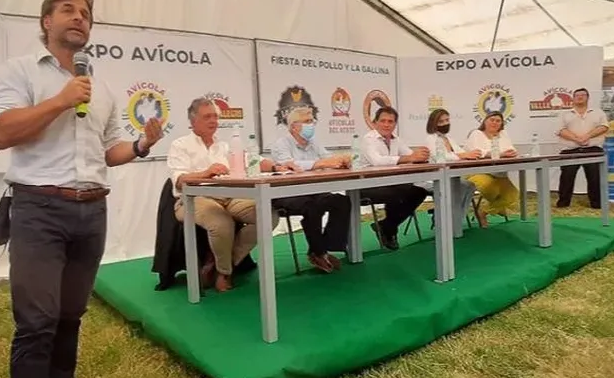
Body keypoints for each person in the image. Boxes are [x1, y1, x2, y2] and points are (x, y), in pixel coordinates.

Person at [0, 0, 163, 378]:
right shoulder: (20, 71)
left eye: (86, 14)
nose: (79, 19)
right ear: (45, 22)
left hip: (91, 210)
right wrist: (60, 100)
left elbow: (109, 152)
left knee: (70, 315)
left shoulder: (99, 87)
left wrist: (143, 143)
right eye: (68, 10)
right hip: (39, 208)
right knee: (35, 324)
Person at [167, 99, 260, 292]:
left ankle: (225, 263)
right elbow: (179, 179)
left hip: (227, 197)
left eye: (215, 116)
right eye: (207, 116)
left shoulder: (225, 146)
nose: (213, 121)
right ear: (193, 121)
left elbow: (253, 160)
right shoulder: (180, 144)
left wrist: (278, 166)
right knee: (221, 223)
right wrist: (205, 172)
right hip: (192, 200)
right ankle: (224, 272)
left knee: (267, 215)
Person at [270, 106, 352, 272]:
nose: (311, 125)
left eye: (312, 121)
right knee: (312, 206)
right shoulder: (281, 144)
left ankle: (326, 247)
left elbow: (328, 159)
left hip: (313, 190)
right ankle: (319, 252)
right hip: (286, 193)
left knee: (341, 200)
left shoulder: (314, 143)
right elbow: (290, 166)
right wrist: (320, 164)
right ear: (294, 126)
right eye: (307, 122)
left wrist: (341, 161)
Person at [360, 106, 429, 249]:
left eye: (390, 122)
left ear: (395, 124)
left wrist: (421, 156)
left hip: (391, 184)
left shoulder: (396, 139)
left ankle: (386, 226)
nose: (386, 124)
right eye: (383, 121)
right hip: (367, 185)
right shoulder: (368, 139)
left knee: (419, 191)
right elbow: (377, 161)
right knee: (399, 191)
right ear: (375, 123)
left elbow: (410, 156)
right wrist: (409, 157)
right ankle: (389, 230)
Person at [425, 108, 483, 228]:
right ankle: (443, 217)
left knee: (469, 186)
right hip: (435, 178)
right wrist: (463, 155)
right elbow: (441, 157)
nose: (445, 123)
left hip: (451, 177)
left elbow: (461, 152)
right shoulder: (431, 138)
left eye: (447, 120)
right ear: (433, 123)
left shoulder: (448, 138)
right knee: (459, 187)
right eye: (441, 121)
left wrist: (472, 154)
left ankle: (456, 220)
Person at [556, 88, 609, 209]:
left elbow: (604, 127)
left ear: (588, 97)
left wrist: (587, 136)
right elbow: (560, 130)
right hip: (570, 150)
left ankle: (597, 205)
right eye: (577, 95)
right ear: (573, 99)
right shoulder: (565, 114)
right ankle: (563, 204)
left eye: (583, 95)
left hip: (593, 149)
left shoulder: (598, 112)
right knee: (566, 178)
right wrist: (576, 139)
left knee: (595, 178)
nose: (580, 97)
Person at [463, 111, 519, 224]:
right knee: (493, 190)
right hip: (477, 172)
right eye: (492, 120)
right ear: (485, 121)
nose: (495, 123)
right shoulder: (476, 133)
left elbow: (511, 149)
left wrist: (511, 152)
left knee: (513, 195)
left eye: (498, 121)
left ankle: (482, 212)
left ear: (502, 123)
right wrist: (501, 154)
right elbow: (478, 152)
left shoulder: (503, 134)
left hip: (499, 173)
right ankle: (498, 207)